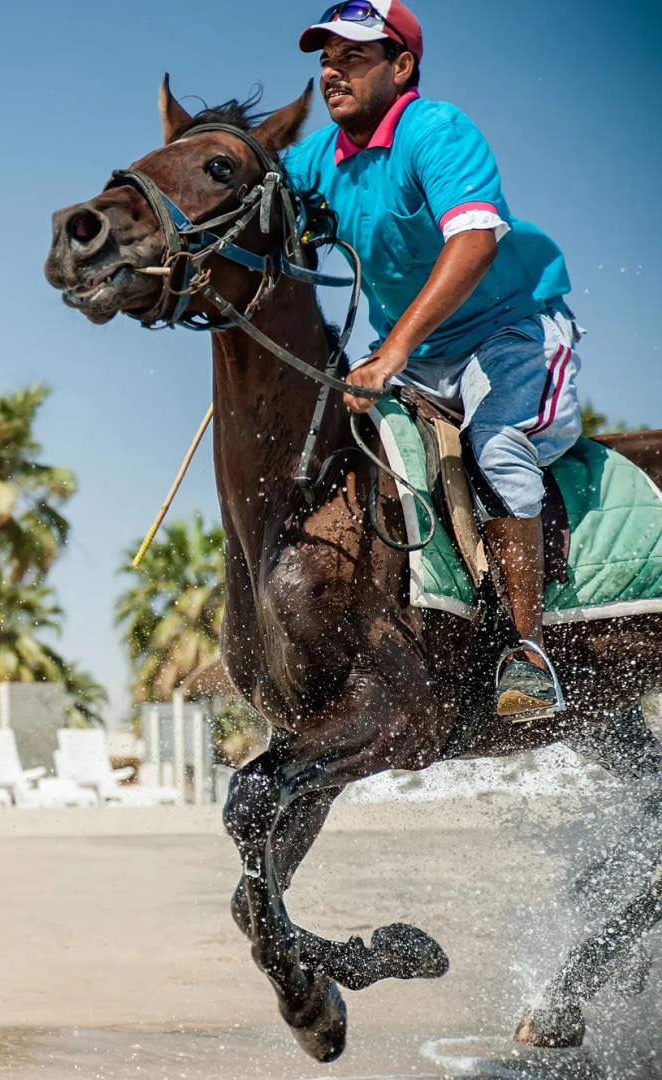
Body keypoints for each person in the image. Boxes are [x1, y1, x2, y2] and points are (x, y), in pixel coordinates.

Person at [283, 0, 579, 721]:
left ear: (401, 65)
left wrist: (394, 351)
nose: (331, 72)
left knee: (496, 445)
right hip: (416, 358)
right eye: (326, 59)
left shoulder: (437, 130)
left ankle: (526, 654)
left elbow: (474, 242)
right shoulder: (316, 159)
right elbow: (262, 208)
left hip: (512, 332)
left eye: (352, 57)